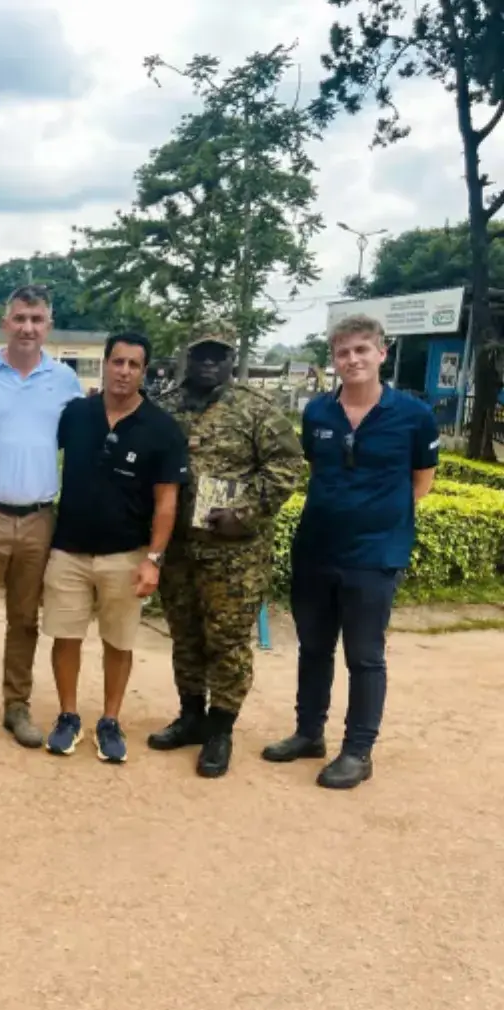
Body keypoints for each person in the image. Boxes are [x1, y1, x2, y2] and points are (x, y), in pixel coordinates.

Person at [263, 314, 439, 789]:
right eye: (343, 352)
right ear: (334, 360)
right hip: (316, 547)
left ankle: (358, 751)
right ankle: (307, 733)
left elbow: (421, 481)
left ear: (382, 353)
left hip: (375, 555)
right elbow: (314, 468)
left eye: (362, 349)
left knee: (364, 655)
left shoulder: (414, 415)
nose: (353, 359)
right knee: (314, 648)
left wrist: (377, 519)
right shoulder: (318, 413)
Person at [151, 323, 303, 778]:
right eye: (202, 354)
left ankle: (221, 729)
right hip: (179, 549)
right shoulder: (165, 408)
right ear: (187, 357)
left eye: (219, 355)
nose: (210, 362)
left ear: (232, 359)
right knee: (185, 634)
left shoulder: (256, 410)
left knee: (228, 641)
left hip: (235, 554)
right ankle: (191, 715)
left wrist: (247, 510)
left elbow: (287, 464)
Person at [43, 331, 188, 763]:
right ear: (104, 364)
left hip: (125, 554)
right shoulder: (75, 415)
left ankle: (110, 719)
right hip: (68, 549)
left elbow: (167, 502)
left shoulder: (161, 428)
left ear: (144, 371)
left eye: (133, 365)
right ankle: (68, 715)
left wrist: (153, 559)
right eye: (117, 362)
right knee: (65, 636)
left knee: (118, 641)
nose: (123, 371)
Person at [0, 284, 83, 748]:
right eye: (20, 318)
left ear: (48, 325)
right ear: (5, 322)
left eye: (37, 319)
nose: (28, 327)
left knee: (26, 619)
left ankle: (17, 706)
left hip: (39, 519)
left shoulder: (65, 382)